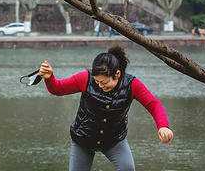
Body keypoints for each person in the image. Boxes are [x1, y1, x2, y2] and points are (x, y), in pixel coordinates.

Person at [39, 46, 173, 171]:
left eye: (104, 82)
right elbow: (58, 89)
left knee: (128, 169)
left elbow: (153, 104)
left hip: (114, 140)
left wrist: (163, 126)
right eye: (97, 82)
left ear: (117, 74)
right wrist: (49, 77)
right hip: (83, 138)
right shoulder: (85, 78)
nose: (100, 86)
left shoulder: (132, 85)